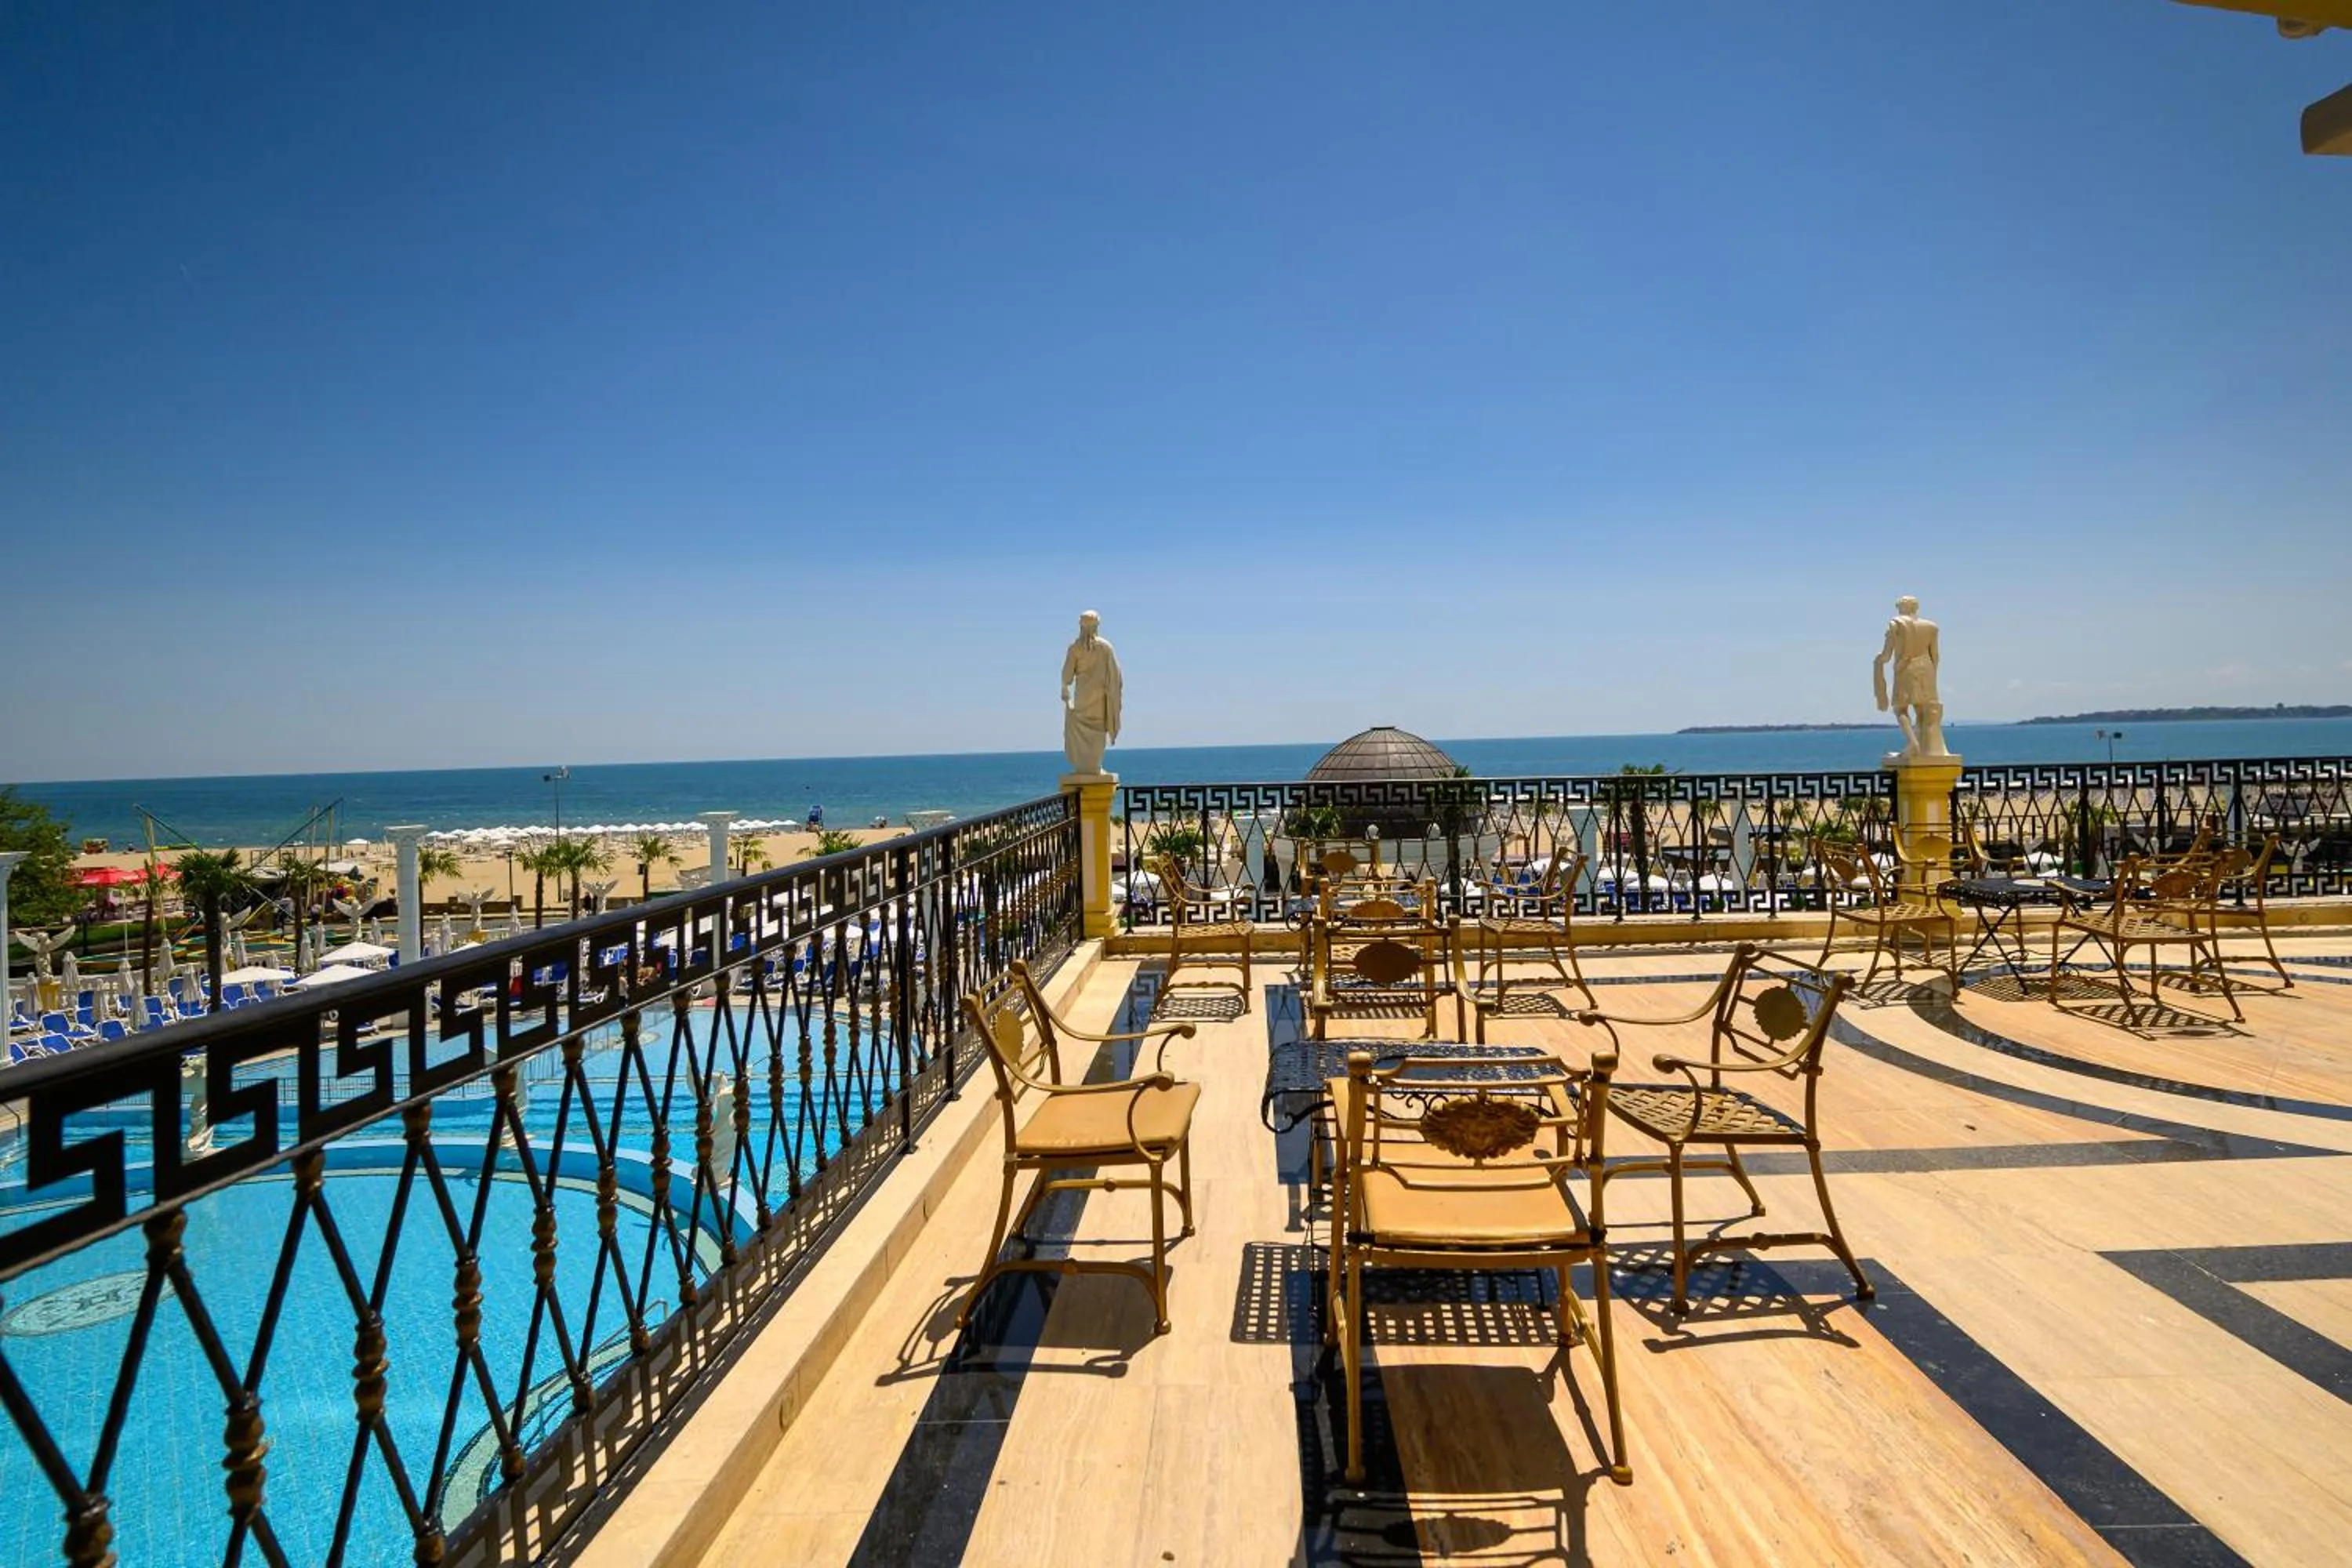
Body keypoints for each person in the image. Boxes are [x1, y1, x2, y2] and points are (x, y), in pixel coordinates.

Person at [1872, 595, 1947, 757]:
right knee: (1922, 709)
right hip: (1927, 668)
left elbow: (1886, 655)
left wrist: (1878, 660)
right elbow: (1935, 655)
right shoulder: (1931, 627)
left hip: (1906, 668)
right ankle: (1924, 749)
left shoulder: (1896, 624)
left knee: (1900, 708)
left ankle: (1913, 744)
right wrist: (1932, 674)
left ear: (1902, 608)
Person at [1059, 609, 1124, 775]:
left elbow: (1067, 674)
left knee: (1083, 730)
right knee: (1098, 731)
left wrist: (1065, 688)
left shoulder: (1075, 648)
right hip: (1100, 697)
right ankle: (1094, 766)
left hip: (1083, 697)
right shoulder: (1105, 647)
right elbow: (1116, 675)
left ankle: (1084, 766)